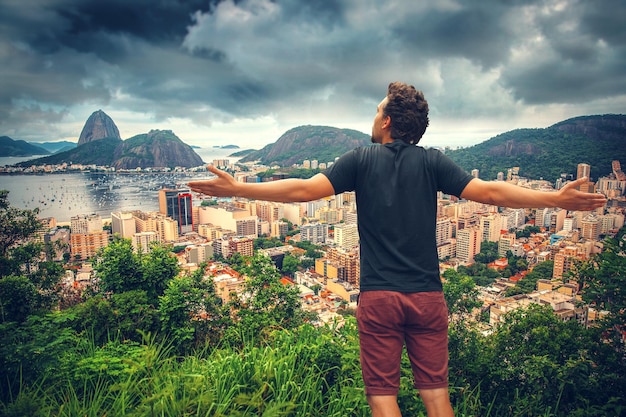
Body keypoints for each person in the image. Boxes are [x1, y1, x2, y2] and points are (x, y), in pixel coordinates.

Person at [188, 82, 607, 417]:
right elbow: (492, 192)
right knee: (438, 400)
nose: (373, 117)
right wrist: (555, 198)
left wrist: (238, 188)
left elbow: (301, 190)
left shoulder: (360, 159)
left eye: (375, 110)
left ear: (387, 121)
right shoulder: (433, 162)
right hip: (427, 297)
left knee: (383, 400)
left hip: (380, 298)